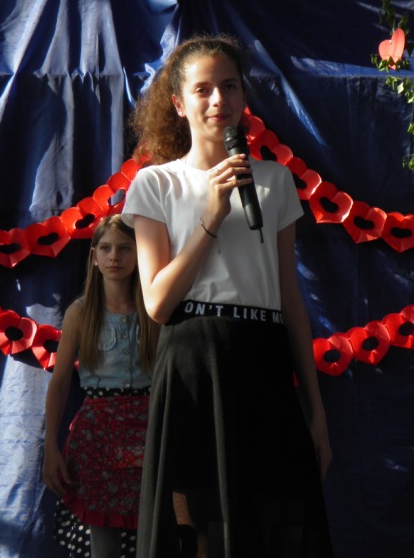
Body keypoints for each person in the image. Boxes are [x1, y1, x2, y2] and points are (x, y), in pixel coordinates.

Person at [123, 34, 334, 558]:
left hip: (263, 360)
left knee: (271, 525)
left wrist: (316, 411)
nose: (218, 100)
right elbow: (157, 303)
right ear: (179, 103)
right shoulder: (156, 184)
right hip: (193, 362)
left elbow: (290, 299)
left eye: (229, 86)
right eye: (203, 89)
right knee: (199, 532)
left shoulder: (275, 181)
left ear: (243, 95)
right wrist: (212, 217)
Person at [44, 214, 160, 558]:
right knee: (104, 541)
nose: (115, 257)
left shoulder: (154, 309)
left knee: (153, 531)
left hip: (149, 427)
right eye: (106, 248)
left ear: (139, 254)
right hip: (98, 434)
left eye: (125, 248)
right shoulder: (80, 313)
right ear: (94, 257)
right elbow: (60, 383)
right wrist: (50, 446)